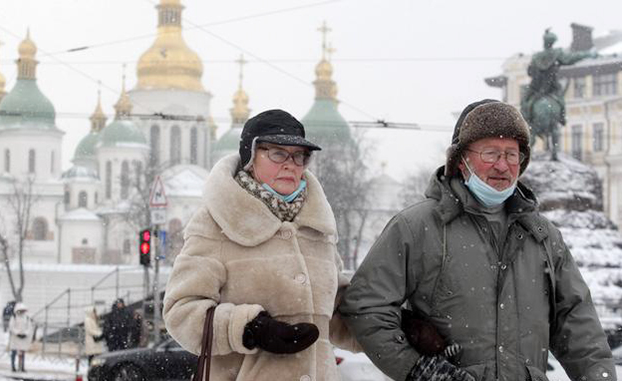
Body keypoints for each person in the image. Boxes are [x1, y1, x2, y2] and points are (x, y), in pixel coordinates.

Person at [339, 100, 616, 381]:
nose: (502, 165)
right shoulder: (417, 227)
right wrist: (418, 370)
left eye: (512, 155)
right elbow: (366, 306)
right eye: (490, 153)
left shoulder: (542, 236)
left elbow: (577, 321)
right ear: (461, 160)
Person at [163, 109, 359, 380]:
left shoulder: (317, 227)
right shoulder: (216, 222)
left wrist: (393, 325)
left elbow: (337, 314)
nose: (291, 164)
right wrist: (250, 329)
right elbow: (181, 313)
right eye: (278, 153)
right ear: (251, 157)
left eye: (299, 156)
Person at [521, 29, 594, 127]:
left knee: (524, 102)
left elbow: (530, 72)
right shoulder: (556, 54)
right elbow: (570, 59)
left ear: (544, 42)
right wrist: (588, 54)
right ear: (553, 43)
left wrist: (538, 73)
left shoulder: (536, 56)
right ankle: (562, 117)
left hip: (535, 87)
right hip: (551, 86)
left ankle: (526, 121)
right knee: (561, 101)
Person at [8, 303, 33, 372]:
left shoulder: (27, 318)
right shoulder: (14, 317)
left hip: (23, 338)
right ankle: (13, 367)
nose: (22, 312)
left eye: (23, 310)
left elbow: (29, 327)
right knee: (14, 352)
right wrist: (17, 333)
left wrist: (25, 334)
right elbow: (11, 327)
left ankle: (22, 367)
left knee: (22, 353)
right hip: (15, 338)